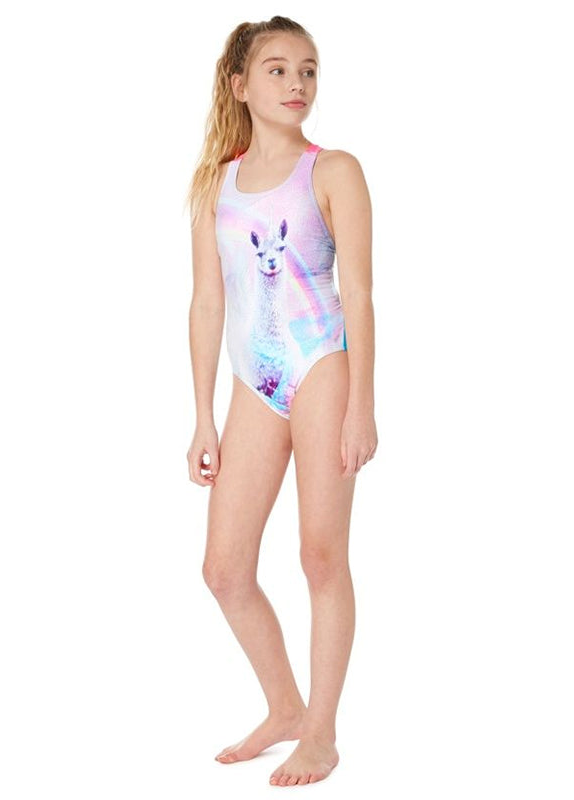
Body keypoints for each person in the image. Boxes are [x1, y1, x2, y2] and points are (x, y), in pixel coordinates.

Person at [185, 15, 377, 787]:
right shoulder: (216, 185)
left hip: (321, 365)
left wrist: (362, 404)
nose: (296, 83)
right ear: (239, 84)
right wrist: (202, 415)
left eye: (307, 69)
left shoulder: (334, 172)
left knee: (320, 556)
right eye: (277, 69)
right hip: (253, 382)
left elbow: (358, 294)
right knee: (224, 569)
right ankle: (285, 706)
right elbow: (207, 302)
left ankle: (321, 735)